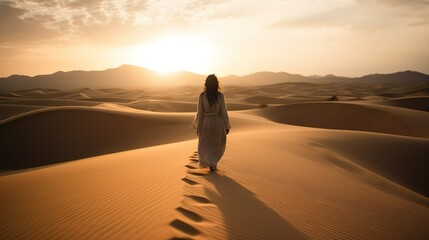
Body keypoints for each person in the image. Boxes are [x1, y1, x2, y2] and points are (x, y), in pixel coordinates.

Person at [192, 74, 231, 172]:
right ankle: (213, 164)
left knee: (205, 144)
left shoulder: (202, 96)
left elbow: (199, 113)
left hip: (206, 122)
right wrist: (226, 126)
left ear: (206, 83)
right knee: (216, 144)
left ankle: (210, 163)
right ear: (216, 83)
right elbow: (223, 112)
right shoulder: (220, 96)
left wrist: (198, 126)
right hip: (218, 122)